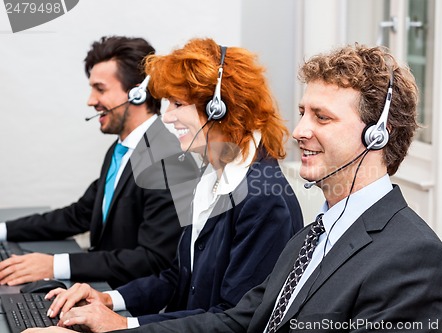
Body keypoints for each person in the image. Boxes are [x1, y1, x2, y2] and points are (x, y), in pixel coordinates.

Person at [27, 43, 442, 333]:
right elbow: (245, 318)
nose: (300, 130)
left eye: (322, 118)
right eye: (304, 112)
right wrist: (111, 313)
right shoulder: (316, 234)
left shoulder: (412, 256)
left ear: (378, 135)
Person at [30, 38, 304, 332]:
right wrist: (107, 299)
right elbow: (177, 277)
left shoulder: (263, 197)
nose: (168, 117)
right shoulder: (211, 175)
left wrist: (123, 326)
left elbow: (236, 319)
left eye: (178, 104)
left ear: (218, 107)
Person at [0, 36, 191, 289]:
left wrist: (54, 265)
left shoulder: (168, 159)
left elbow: (152, 258)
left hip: (130, 305)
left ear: (137, 93)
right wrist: (3, 230)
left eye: (100, 89)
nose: (91, 101)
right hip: (100, 289)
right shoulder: (122, 149)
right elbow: (79, 215)